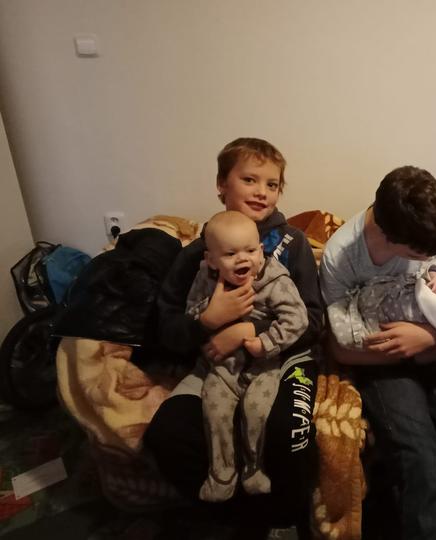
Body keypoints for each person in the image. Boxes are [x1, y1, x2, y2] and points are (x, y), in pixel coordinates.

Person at [144, 138, 322, 533]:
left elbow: (312, 321)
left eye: (272, 184)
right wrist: (208, 321)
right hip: (214, 365)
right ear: (222, 185)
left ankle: (282, 518)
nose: (261, 192)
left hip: (282, 359)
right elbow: (165, 328)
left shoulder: (292, 244)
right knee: (167, 433)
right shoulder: (198, 255)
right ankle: (236, 516)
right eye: (249, 179)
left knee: (286, 431)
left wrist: (247, 330)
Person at [319, 165, 436, 540]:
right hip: (383, 360)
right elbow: (340, 348)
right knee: (421, 459)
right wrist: (406, 350)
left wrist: (427, 340)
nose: (429, 261)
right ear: (388, 235)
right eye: (419, 254)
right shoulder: (342, 255)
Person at [187, 210, 309, 501]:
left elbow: (298, 318)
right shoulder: (205, 278)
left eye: (250, 251)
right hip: (223, 366)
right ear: (211, 259)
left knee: (257, 410)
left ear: (261, 250)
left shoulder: (275, 279)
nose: (243, 259)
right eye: (231, 254)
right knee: (214, 408)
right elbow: (190, 312)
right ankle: (222, 473)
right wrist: (210, 313)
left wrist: (266, 342)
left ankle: (255, 468)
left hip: (265, 366)